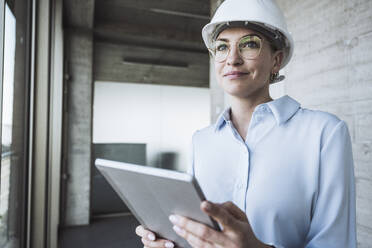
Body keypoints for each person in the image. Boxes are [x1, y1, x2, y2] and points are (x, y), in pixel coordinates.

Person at [135, 0, 356, 247]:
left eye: (249, 44)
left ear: (276, 60)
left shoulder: (324, 134)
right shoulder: (201, 140)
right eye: (221, 47)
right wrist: (173, 239)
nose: (232, 59)